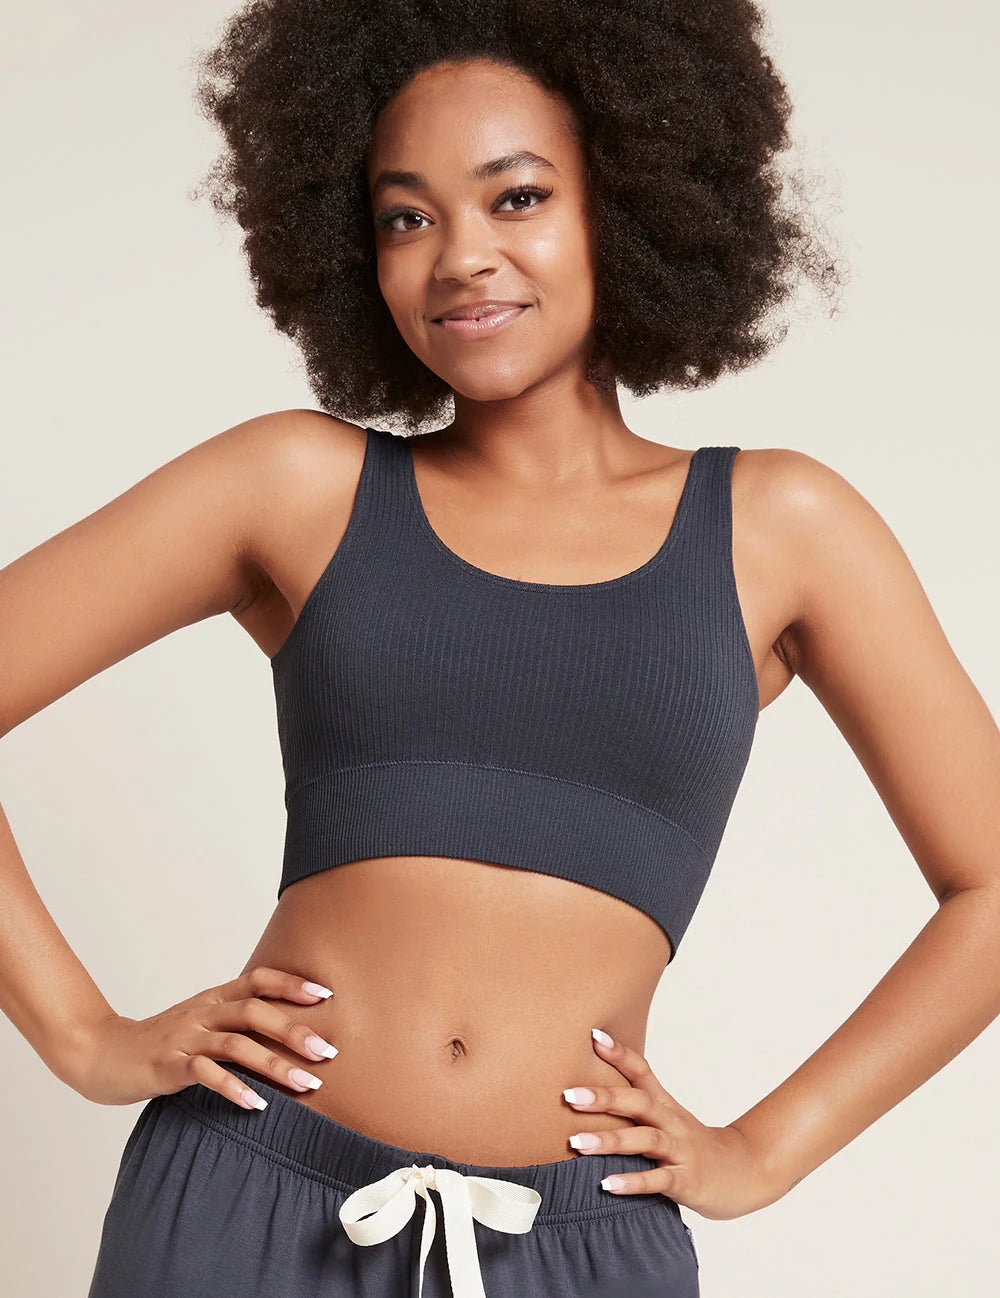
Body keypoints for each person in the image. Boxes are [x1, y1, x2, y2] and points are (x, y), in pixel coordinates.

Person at [2, 2, 998, 1296]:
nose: (462, 256)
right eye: (407, 216)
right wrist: (80, 1034)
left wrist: (764, 1146)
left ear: (623, 205)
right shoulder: (293, 486)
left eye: (516, 196)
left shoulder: (783, 529)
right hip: (242, 1205)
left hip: (581, 1246)